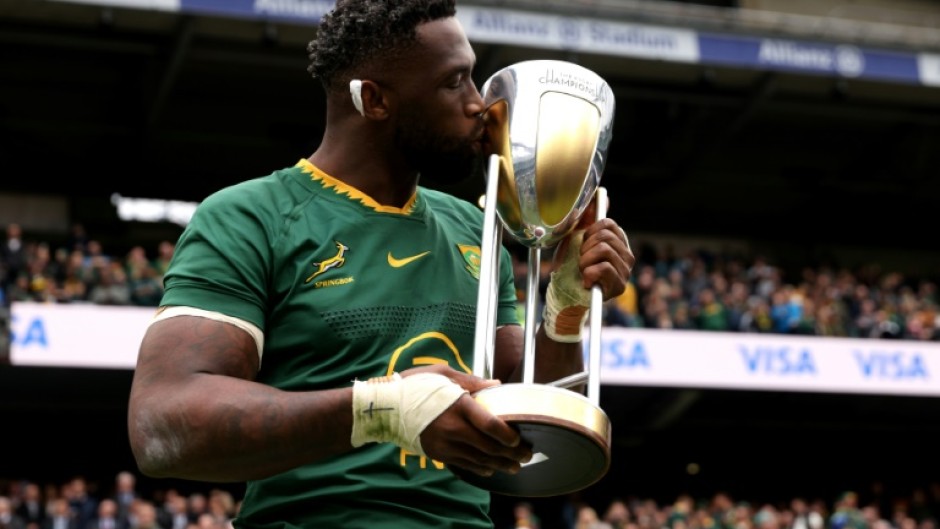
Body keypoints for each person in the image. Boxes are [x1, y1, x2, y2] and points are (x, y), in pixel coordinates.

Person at [126, 0, 634, 528]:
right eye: (453, 82)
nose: (479, 105)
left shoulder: (472, 227)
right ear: (374, 100)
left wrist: (565, 309)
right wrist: (380, 411)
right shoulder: (251, 216)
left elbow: (524, 432)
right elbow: (162, 423)